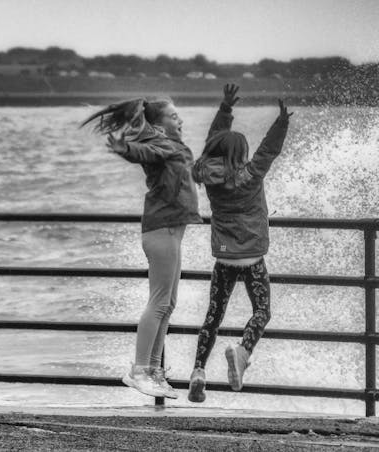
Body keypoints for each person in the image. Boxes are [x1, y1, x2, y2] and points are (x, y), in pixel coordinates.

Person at [81, 85, 240, 399]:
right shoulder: (157, 143)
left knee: (168, 304)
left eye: (179, 115)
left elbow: (209, 148)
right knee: (158, 304)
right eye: (174, 116)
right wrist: (126, 150)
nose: (180, 120)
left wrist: (224, 111)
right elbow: (144, 153)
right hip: (160, 231)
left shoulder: (174, 145)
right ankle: (139, 370)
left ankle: (154, 370)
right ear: (156, 124)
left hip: (172, 231)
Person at [187, 95, 292, 403]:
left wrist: (224, 111)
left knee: (214, 315)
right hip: (252, 258)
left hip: (223, 256)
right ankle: (243, 351)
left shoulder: (207, 175)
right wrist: (282, 122)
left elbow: (213, 142)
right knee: (262, 311)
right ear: (241, 153)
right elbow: (268, 151)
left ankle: (198, 372)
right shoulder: (250, 174)